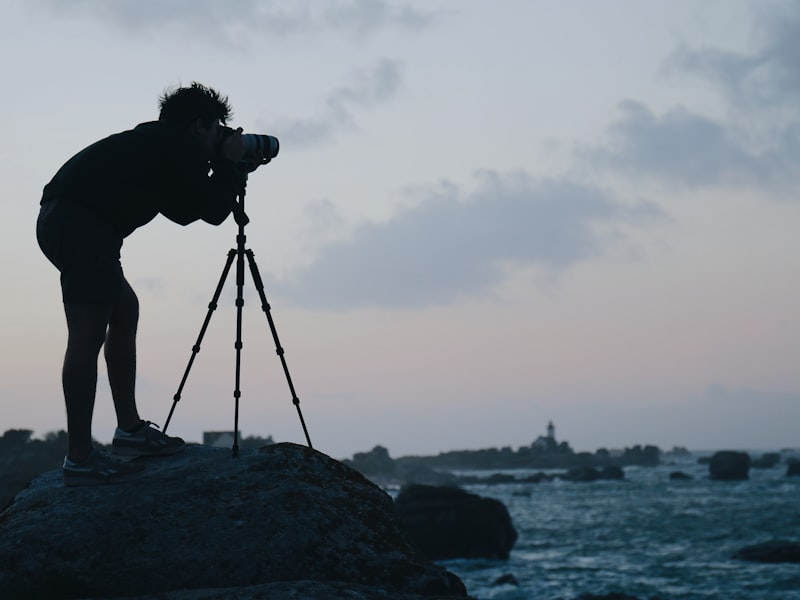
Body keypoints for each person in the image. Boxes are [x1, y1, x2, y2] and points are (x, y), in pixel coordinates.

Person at [37, 83, 262, 486]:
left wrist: (226, 169)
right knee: (87, 337)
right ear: (200, 126)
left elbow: (185, 210)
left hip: (72, 223)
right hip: (80, 225)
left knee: (124, 310)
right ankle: (80, 458)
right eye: (218, 129)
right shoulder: (176, 147)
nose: (222, 136)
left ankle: (129, 432)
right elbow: (211, 213)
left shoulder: (160, 144)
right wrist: (228, 166)